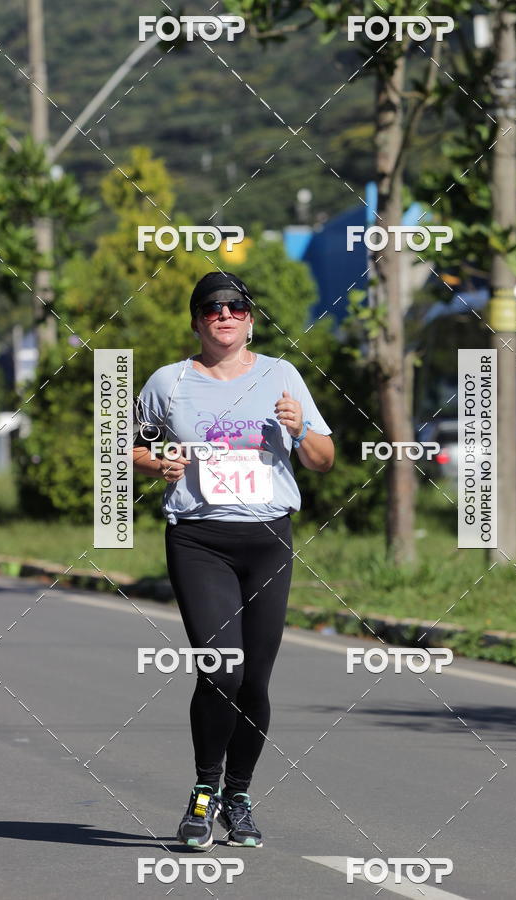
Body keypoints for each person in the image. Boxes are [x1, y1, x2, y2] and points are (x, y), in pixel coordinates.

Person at [132, 271, 334, 850]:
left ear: (250, 319)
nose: (224, 315)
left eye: (235, 307)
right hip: (199, 540)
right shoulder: (168, 382)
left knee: (255, 682)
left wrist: (300, 429)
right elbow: (129, 447)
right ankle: (204, 791)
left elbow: (323, 459)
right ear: (197, 322)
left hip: (268, 540)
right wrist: (158, 463)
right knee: (222, 669)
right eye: (211, 308)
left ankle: (238, 797)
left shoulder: (281, 375)